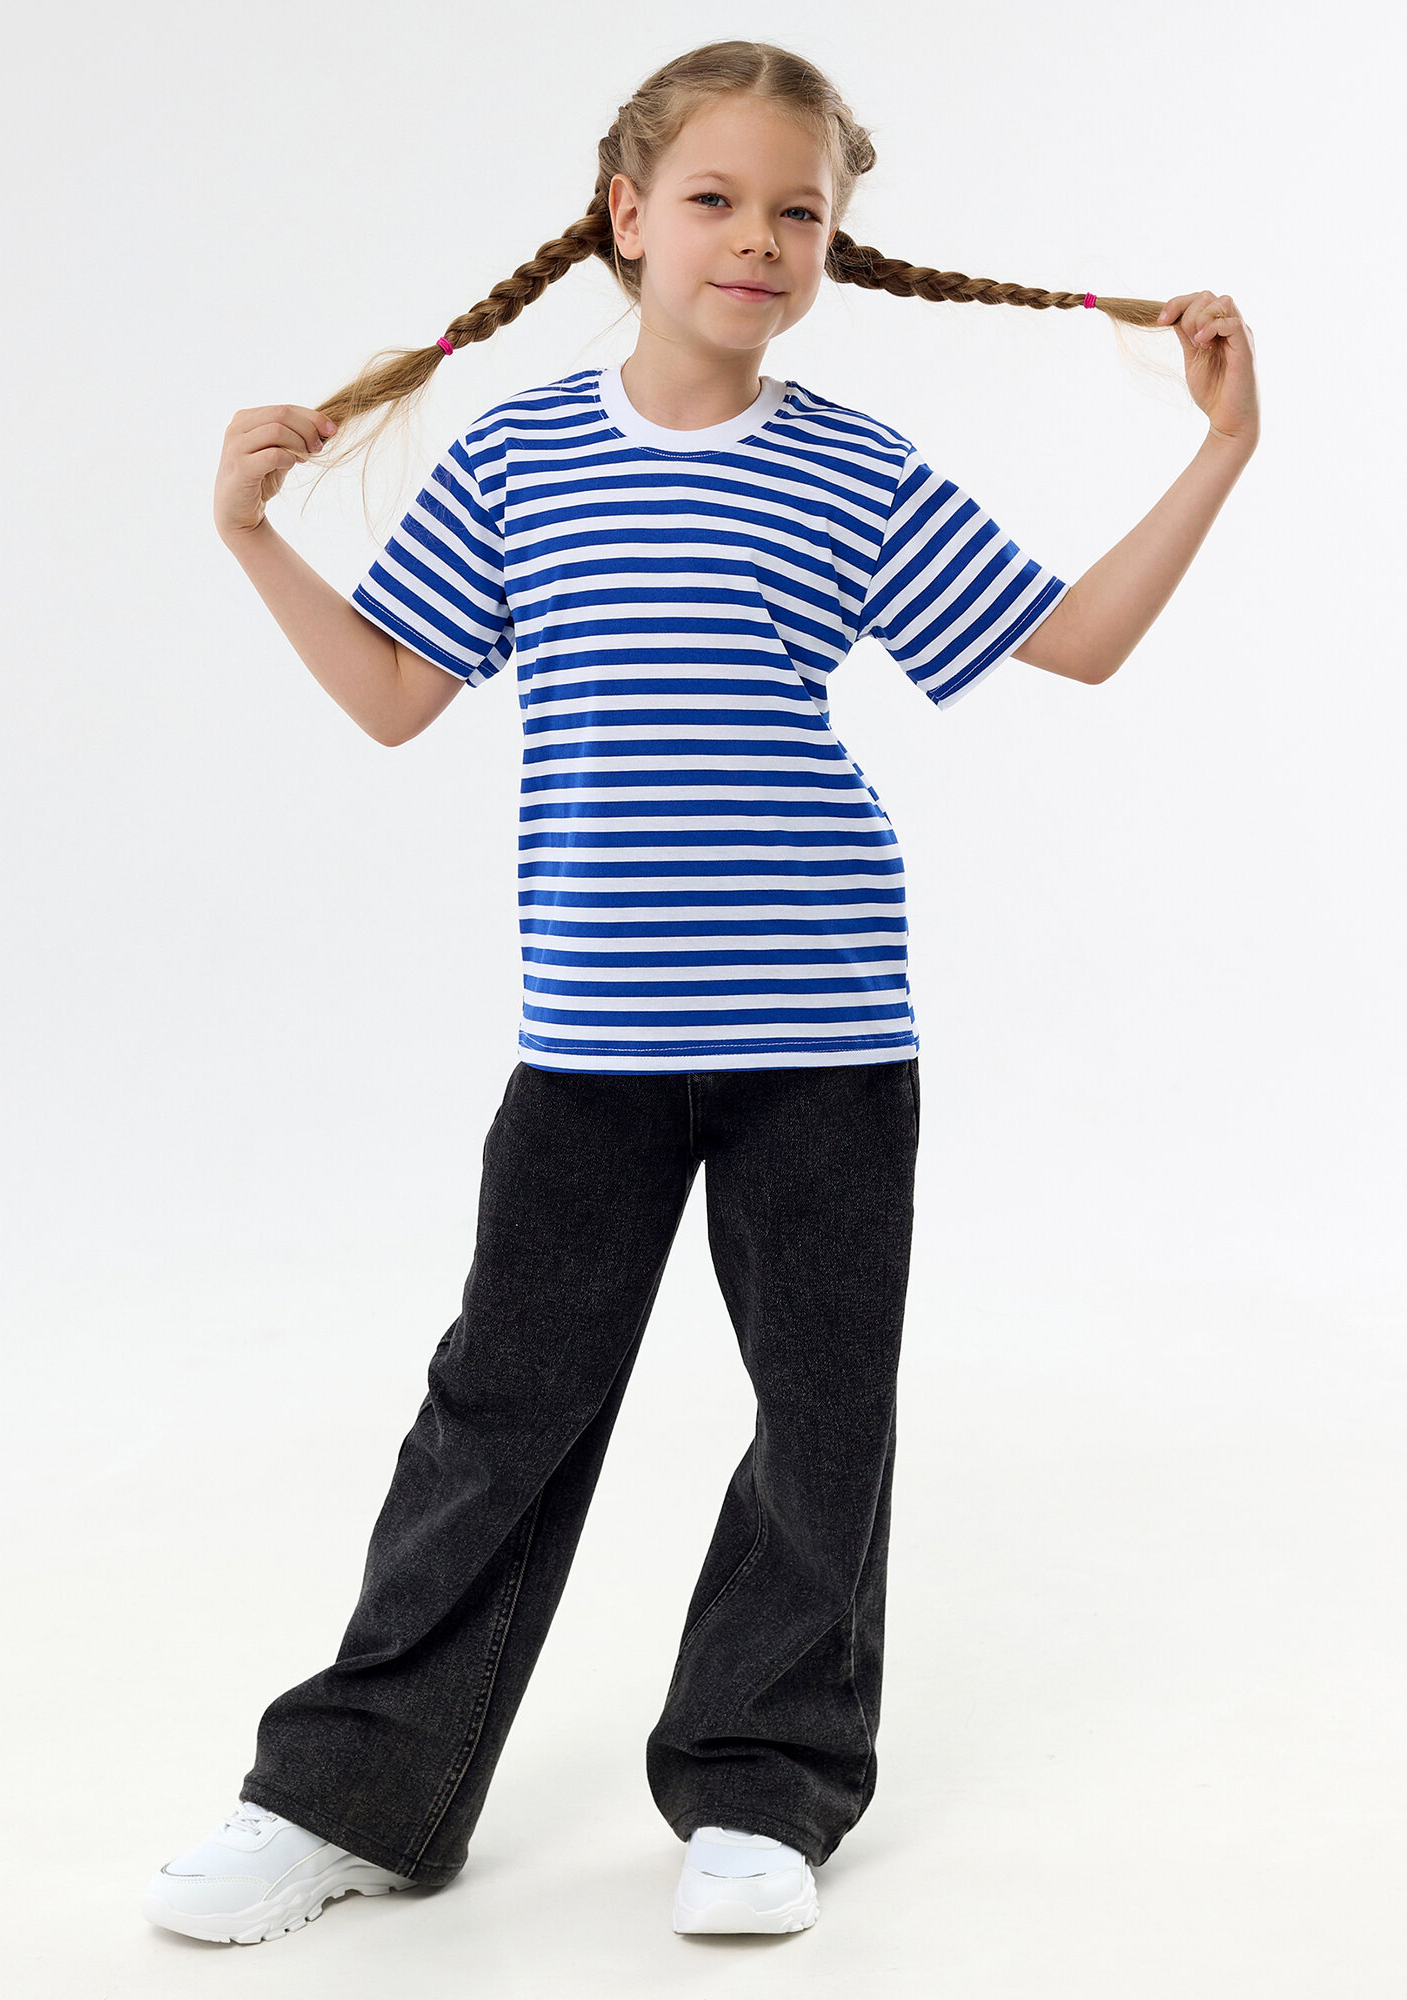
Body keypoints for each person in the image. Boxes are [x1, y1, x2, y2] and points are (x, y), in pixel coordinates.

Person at [142, 37, 1258, 1945]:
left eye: (798, 212)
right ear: (627, 218)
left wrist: (1220, 447)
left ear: (832, 243)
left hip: (827, 1039)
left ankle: (762, 1788)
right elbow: (399, 696)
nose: (758, 239)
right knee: (495, 1414)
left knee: (820, 1419)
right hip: (590, 1049)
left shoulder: (852, 466)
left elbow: (1074, 643)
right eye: (719, 200)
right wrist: (248, 535)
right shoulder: (516, 458)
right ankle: (347, 1798)